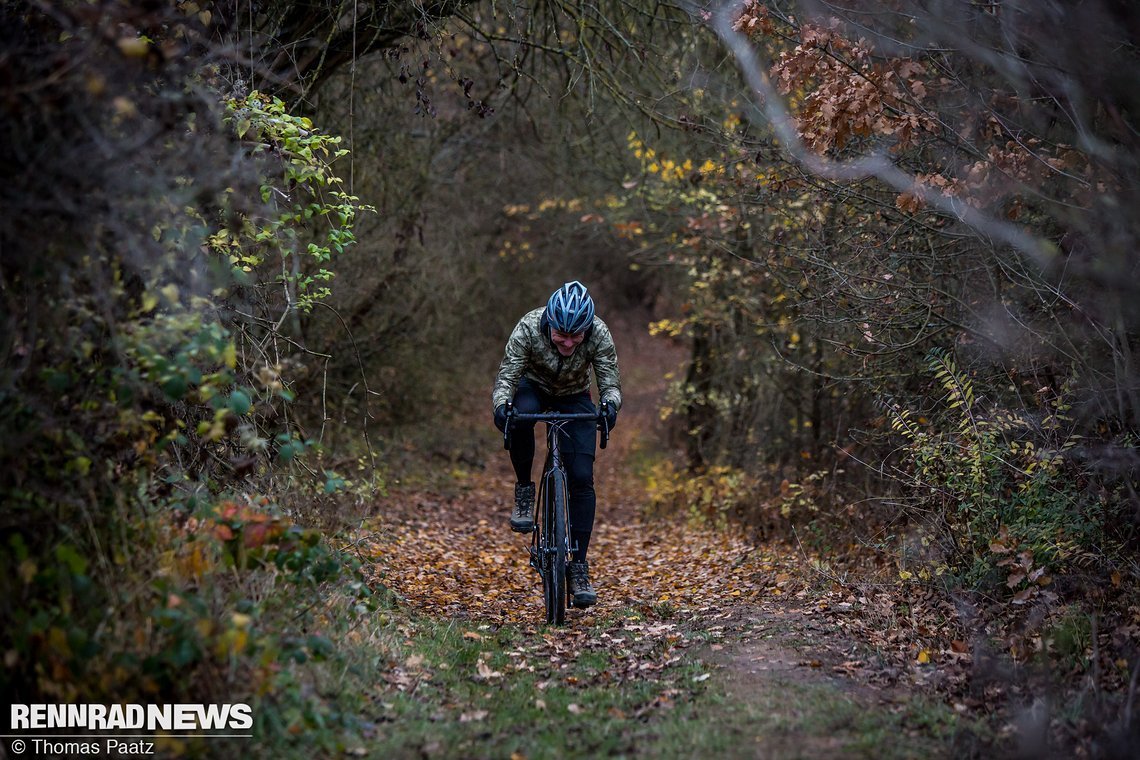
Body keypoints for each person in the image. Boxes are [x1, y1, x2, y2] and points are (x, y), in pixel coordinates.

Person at [492, 281, 621, 608]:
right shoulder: (529, 327)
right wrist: (502, 404)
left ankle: (578, 566)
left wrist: (609, 405)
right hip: (532, 387)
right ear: (549, 323)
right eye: (561, 335)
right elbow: (507, 375)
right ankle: (524, 488)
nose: (567, 342)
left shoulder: (599, 334)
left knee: (581, 476)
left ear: (587, 329)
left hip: (575, 396)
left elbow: (609, 381)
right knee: (518, 417)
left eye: (575, 336)